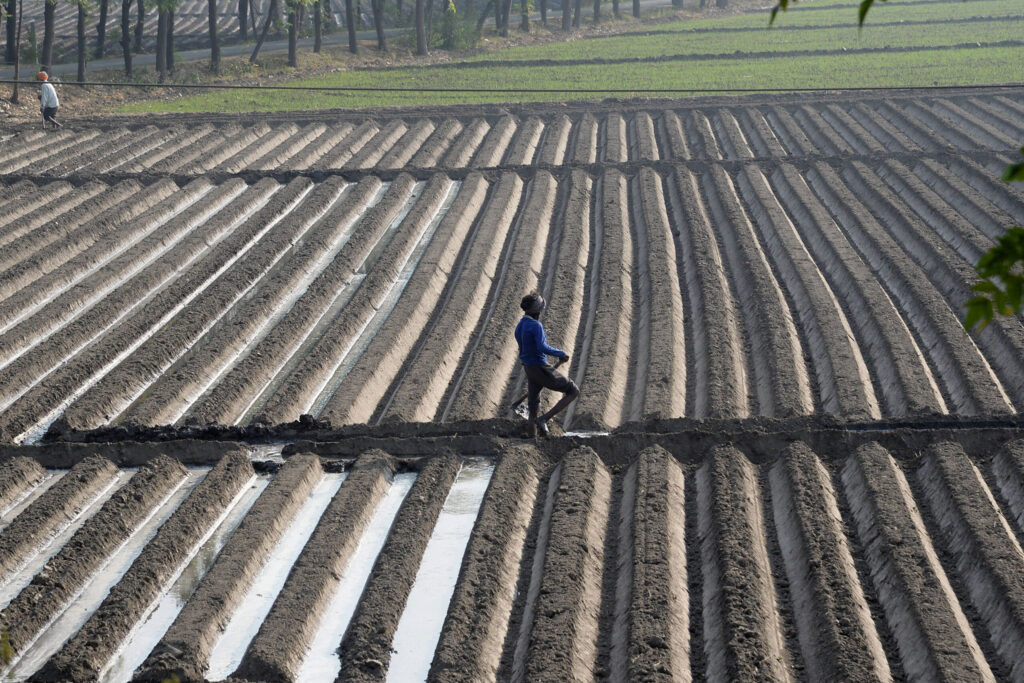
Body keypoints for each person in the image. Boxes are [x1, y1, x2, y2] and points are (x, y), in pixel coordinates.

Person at [514, 292, 579, 437]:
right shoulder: (536, 326)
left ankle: (531, 436)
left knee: (533, 406)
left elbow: (523, 347)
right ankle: (544, 419)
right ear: (538, 310)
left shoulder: (520, 325)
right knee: (573, 390)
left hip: (528, 368)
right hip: (539, 367)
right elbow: (542, 347)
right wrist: (561, 354)